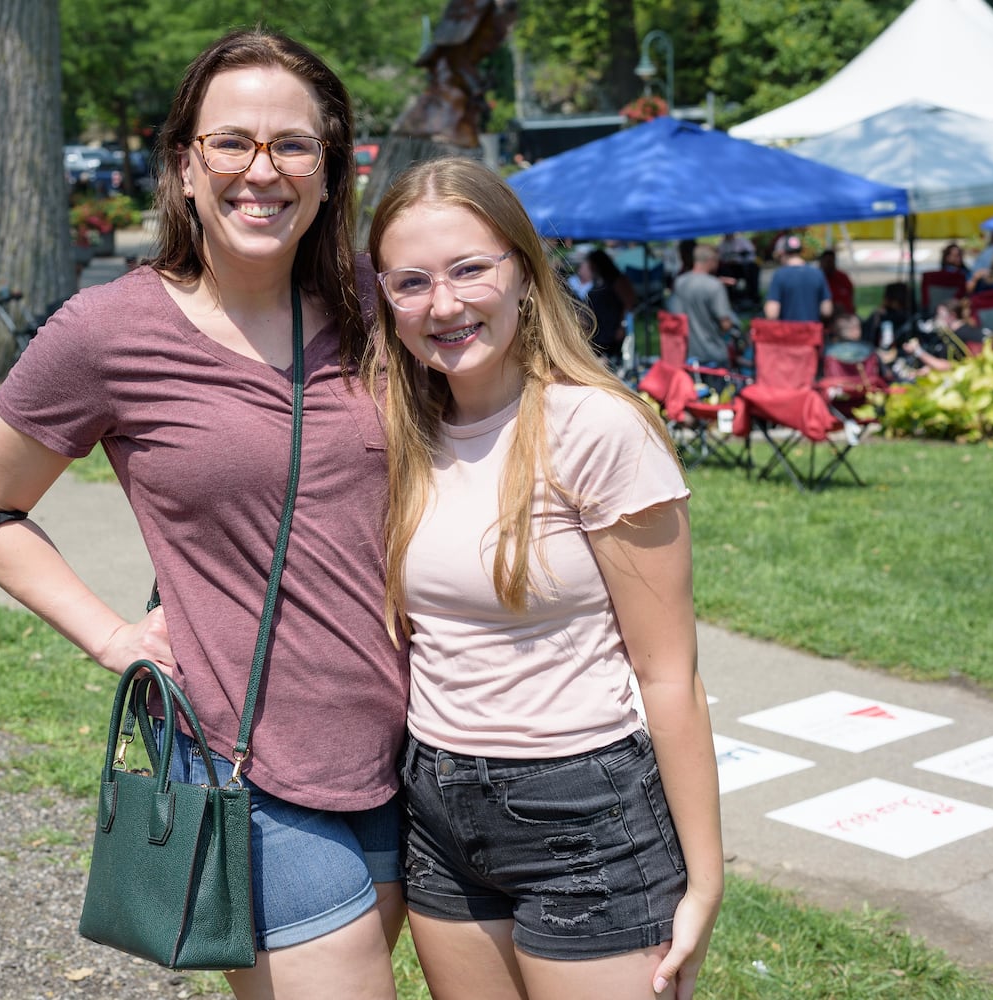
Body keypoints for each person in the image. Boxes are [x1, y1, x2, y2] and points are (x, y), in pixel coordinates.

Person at [0, 30, 406, 999]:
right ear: (185, 166)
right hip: (249, 768)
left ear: (328, 169)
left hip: (412, 756)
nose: (260, 170)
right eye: (230, 142)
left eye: (292, 145)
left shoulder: (376, 304)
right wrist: (113, 635)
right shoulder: (111, 331)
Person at [366, 156, 722, 1000]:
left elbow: (668, 672)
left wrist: (705, 880)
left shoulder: (597, 428)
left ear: (522, 273)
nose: (444, 304)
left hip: (584, 807)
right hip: (437, 803)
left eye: (469, 269)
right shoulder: (397, 433)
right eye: (411, 281)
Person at [668, 244, 737, 368]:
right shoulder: (714, 286)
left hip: (688, 353)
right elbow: (725, 323)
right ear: (710, 261)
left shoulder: (680, 282)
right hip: (713, 353)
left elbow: (676, 316)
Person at [582, 247, 637, 367]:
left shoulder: (616, 279)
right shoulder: (598, 280)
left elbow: (629, 303)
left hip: (613, 328)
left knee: (613, 362)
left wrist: (622, 326)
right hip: (599, 329)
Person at [764, 235, 831, 322]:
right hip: (813, 332)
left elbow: (772, 314)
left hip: (790, 332)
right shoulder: (818, 273)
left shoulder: (780, 275)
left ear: (782, 253)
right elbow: (827, 310)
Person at [818, 249, 856, 316]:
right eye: (827, 261)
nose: (829, 264)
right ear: (821, 262)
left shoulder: (842, 277)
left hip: (846, 315)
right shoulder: (818, 279)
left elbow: (851, 294)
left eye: (831, 261)